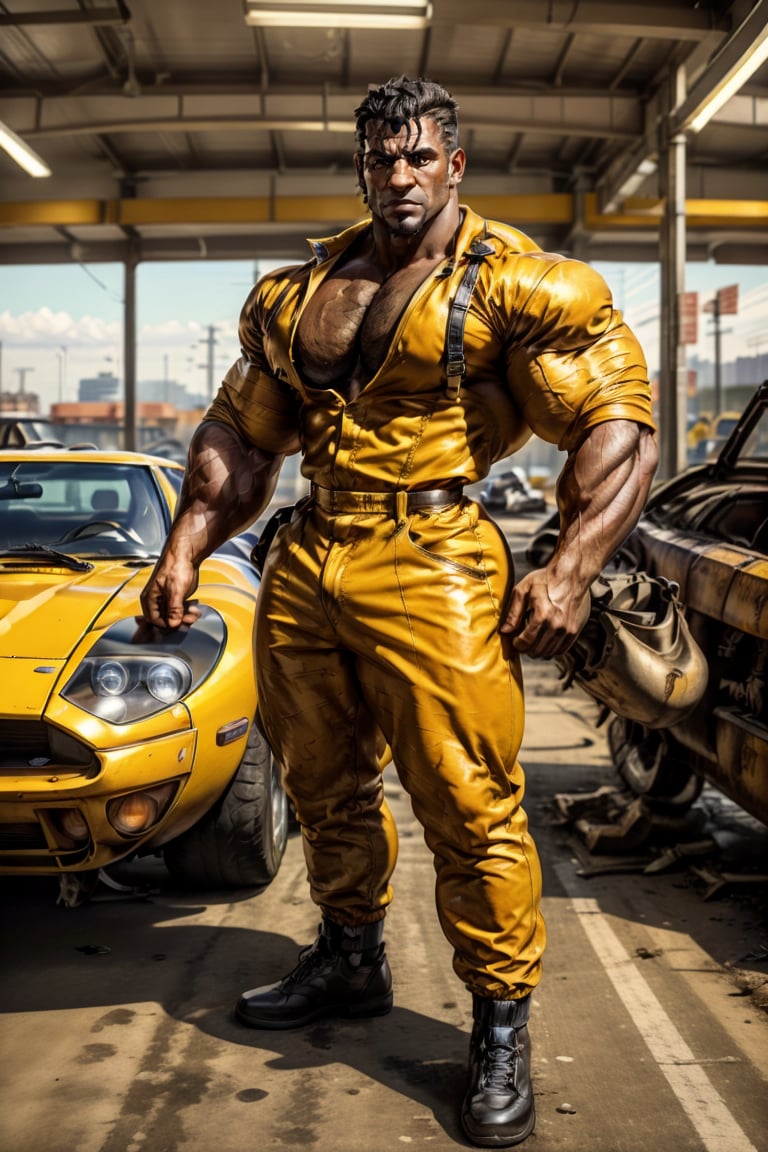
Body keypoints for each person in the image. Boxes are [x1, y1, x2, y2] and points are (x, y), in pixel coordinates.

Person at [140, 75, 658, 1148]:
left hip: (434, 558)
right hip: (312, 550)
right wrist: (188, 543)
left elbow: (618, 420)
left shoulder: (518, 284)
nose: (402, 175)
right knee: (323, 784)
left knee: (468, 803)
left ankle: (500, 1024)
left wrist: (566, 571)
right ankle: (350, 957)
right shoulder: (305, 290)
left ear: (455, 164)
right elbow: (245, 433)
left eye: (421, 157)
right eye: (383, 158)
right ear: (363, 166)